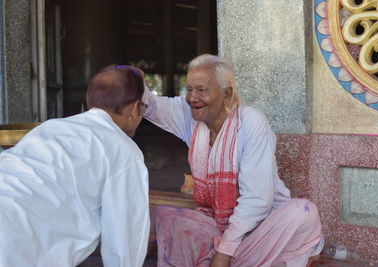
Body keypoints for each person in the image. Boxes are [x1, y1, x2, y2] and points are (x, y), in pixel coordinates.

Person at [143, 54, 323, 266]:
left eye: (201, 90)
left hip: (262, 229)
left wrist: (224, 253)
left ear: (226, 93)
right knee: (165, 215)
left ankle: (227, 259)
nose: (192, 98)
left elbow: (257, 200)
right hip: (217, 224)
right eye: (189, 89)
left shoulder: (250, 123)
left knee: (303, 212)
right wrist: (134, 79)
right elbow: (150, 106)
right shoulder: (190, 114)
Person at [0, 65, 150, 267]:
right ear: (134, 108)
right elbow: (126, 237)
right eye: (144, 108)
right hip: (15, 238)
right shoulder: (123, 151)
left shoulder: (51, 126)